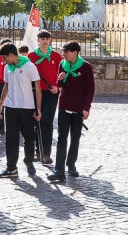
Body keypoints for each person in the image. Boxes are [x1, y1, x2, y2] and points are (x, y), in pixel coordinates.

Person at [48, 41, 95, 182]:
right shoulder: (62, 64)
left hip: (79, 108)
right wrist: (60, 80)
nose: (64, 54)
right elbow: (60, 85)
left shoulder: (86, 67)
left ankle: (71, 165)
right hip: (64, 105)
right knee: (62, 137)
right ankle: (59, 170)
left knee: (75, 138)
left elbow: (90, 89)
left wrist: (86, 108)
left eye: (67, 52)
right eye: (64, 52)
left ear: (75, 53)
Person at [0, 42, 42, 178]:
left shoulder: (29, 66)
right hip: (11, 108)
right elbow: (6, 87)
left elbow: (38, 89)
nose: (3, 61)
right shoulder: (7, 68)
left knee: (29, 138)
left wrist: (38, 109)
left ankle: (29, 162)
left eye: (5, 58)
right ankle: (11, 167)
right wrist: (0, 107)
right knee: (11, 139)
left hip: (27, 108)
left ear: (11, 55)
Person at [27, 30, 63, 165]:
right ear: (38, 40)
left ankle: (46, 153)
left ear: (50, 40)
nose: (45, 41)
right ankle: (38, 151)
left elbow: (62, 73)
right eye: (42, 38)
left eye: (47, 38)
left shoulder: (56, 56)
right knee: (36, 121)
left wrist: (57, 86)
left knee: (47, 122)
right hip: (35, 92)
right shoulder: (31, 56)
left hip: (51, 93)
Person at [0, 38, 12, 135]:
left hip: (11, 82)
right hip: (1, 82)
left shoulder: (12, 56)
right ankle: (1, 128)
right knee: (0, 105)